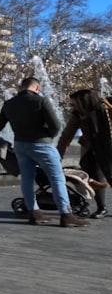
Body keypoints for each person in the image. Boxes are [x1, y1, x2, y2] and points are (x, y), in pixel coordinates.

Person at [0, 76, 89, 227]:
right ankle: (66, 215)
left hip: (20, 145)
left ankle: (34, 213)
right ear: (37, 88)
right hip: (42, 146)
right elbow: (56, 125)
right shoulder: (41, 101)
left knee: (27, 179)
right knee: (57, 179)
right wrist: (48, 136)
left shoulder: (9, 104)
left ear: (21, 87)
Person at [57, 89, 112, 219]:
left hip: (109, 148)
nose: (73, 106)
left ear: (85, 101)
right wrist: (57, 156)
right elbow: (66, 135)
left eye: (75, 103)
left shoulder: (106, 106)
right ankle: (101, 208)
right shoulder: (78, 114)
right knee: (95, 176)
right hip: (92, 149)